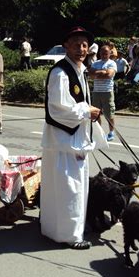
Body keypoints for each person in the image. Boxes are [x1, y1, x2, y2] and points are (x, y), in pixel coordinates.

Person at [40, 26, 102, 250]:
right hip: (63, 141)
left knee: (67, 188)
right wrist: (87, 111)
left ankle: (58, 229)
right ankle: (70, 235)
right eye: (76, 44)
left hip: (75, 139)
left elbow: (79, 102)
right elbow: (58, 108)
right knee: (69, 189)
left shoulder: (80, 69)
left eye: (84, 44)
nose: (81, 48)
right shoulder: (60, 73)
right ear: (66, 46)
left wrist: (90, 112)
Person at [89, 45, 117, 141]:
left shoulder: (112, 63)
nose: (104, 54)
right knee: (96, 114)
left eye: (106, 53)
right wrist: (102, 72)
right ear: (99, 53)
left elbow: (109, 75)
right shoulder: (95, 63)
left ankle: (111, 132)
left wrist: (97, 73)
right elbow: (91, 76)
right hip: (96, 92)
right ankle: (99, 132)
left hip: (107, 91)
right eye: (102, 52)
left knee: (109, 114)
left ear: (109, 53)